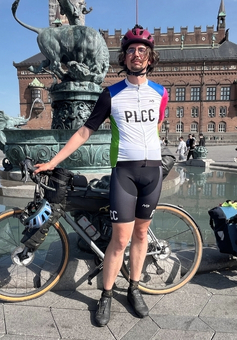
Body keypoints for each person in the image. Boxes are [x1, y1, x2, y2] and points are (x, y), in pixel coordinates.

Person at [33, 24, 168, 327]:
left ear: (150, 57)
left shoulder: (161, 93)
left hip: (152, 174)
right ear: (125, 56)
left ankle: (133, 289)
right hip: (125, 174)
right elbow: (83, 132)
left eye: (142, 50)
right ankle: (106, 294)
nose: (137, 54)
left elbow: (156, 129)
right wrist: (52, 161)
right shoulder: (111, 94)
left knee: (142, 235)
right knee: (119, 239)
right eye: (132, 50)